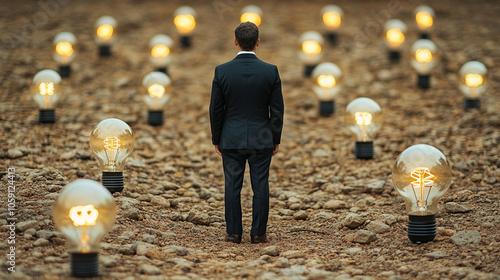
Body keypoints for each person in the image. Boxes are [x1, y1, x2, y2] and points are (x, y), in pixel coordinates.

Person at [209, 22, 284, 244]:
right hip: (262, 139)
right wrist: (275, 138)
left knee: (232, 185)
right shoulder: (270, 71)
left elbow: (215, 109)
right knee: (261, 186)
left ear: (235, 41)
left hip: (231, 139)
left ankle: (233, 233)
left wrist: (217, 138)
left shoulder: (222, 71)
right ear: (258, 42)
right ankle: (258, 233)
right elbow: (277, 110)